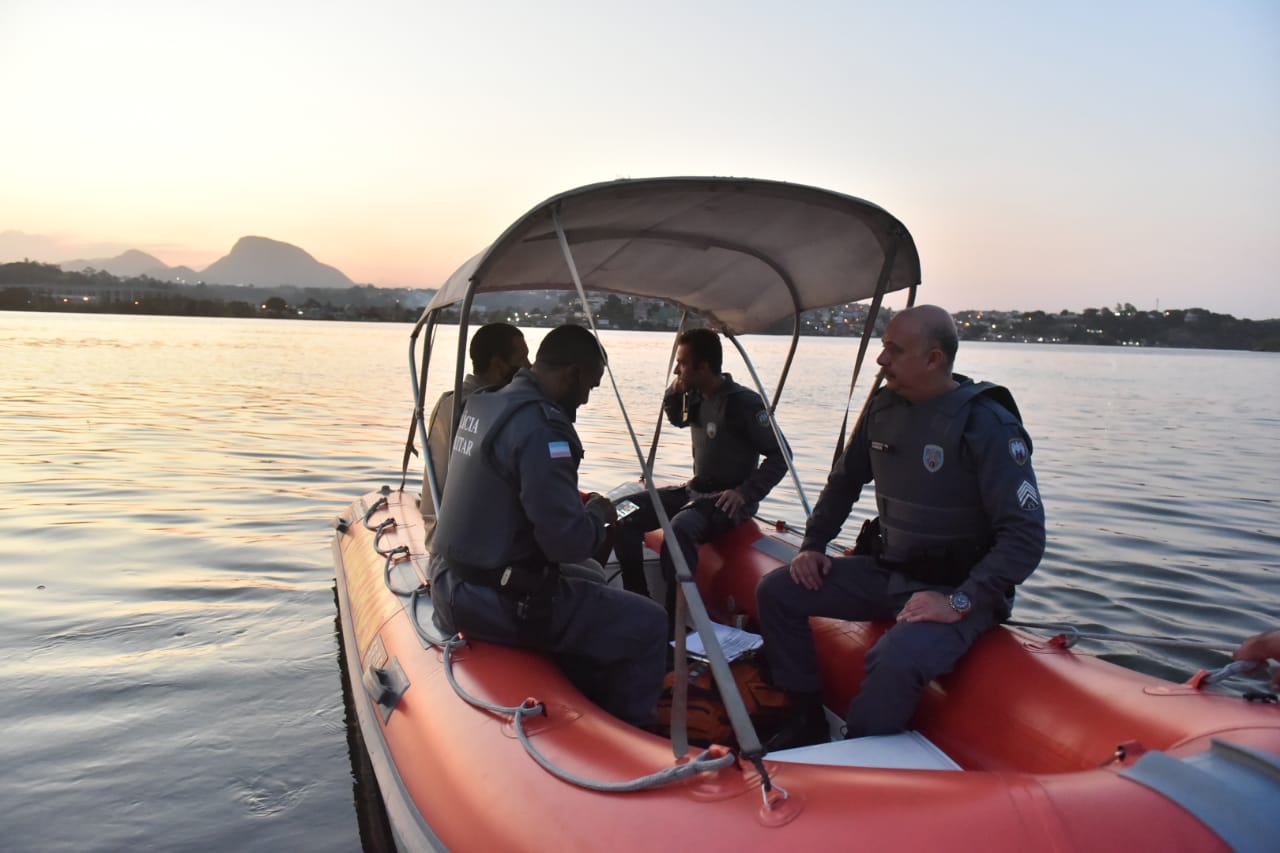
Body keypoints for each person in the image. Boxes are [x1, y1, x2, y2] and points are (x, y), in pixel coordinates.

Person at [756, 304, 1046, 748]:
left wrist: (961, 600)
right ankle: (806, 716)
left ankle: (859, 760)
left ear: (933, 359)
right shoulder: (884, 408)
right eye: (883, 347)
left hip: (960, 589)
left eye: (894, 349)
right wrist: (814, 544)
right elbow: (844, 481)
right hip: (890, 571)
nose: (881, 359)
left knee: (893, 658)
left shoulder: (987, 425)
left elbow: (1025, 537)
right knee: (777, 591)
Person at [428, 324, 668, 727]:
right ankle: (630, 736)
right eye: (589, 386)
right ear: (572, 373)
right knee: (650, 622)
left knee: (591, 576)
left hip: (451, 578)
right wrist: (597, 517)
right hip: (488, 600)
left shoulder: (486, 404)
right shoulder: (542, 427)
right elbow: (567, 544)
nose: (588, 399)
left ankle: (583, 691)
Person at [612, 327, 788, 632]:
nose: (677, 369)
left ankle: (671, 626)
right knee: (622, 510)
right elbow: (676, 419)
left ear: (703, 367)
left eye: (681, 363)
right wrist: (674, 389)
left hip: (728, 502)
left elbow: (781, 455)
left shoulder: (743, 403)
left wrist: (745, 493)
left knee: (679, 530)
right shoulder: (693, 396)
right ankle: (638, 599)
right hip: (695, 492)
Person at [423, 322, 529, 550]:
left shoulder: (448, 401)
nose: (529, 368)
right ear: (498, 365)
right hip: (465, 546)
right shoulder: (487, 410)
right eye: (522, 359)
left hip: (440, 531)